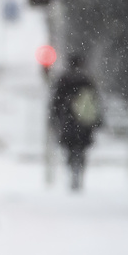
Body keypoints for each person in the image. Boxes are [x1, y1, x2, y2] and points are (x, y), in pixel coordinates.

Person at [49, 53, 102, 191]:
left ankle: (72, 171)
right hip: (84, 122)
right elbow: (94, 102)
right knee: (82, 149)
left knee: (70, 149)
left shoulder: (63, 80)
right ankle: (79, 172)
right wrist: (97, 121)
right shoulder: (87, 80)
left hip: (68, 122)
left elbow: (56, 102)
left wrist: (54, 118)